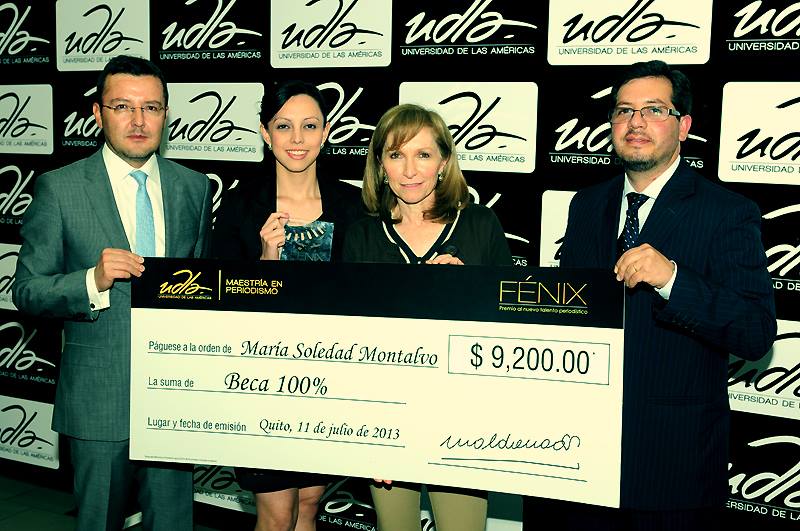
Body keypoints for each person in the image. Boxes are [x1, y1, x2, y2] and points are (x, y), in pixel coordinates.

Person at [525, 60, 776, 531]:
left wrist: (673, 280)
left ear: (683, 126)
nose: (635, 122)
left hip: (672, 465)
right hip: (578, 457)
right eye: (624, 111)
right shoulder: (586, 204)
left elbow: (755, 331)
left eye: (654, 110)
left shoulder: (727, 212)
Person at [12, 55, 212, 530]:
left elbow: (202, 291)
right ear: (98, 114)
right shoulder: (59, 189)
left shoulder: (194, 188)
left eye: (151, 107)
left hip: (174, 397)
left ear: (166, 114)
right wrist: (91, 281)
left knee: (173, 523)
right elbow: (27, 290)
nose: (138, 120)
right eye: (122, 106)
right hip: (98, 398)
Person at [343, 103, 512, 531]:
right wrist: (366, 431)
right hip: (386, 416)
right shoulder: (361, 234)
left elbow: (511, 325)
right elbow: (348, 340)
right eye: (395, 155)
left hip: (464, 416)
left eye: (422, 154)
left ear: (444, 161)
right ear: (380, 165)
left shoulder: (480, 225)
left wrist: (468, 288)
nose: (409, 170)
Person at [212, 80, 362, 531]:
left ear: (327, 132)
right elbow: (216, 303)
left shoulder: (352, 206)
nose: (297, 139)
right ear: (265, 133)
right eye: (283, 126)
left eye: (310, 126)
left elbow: (366, 295)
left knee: (309, 506)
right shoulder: (240, 206)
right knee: (276, 516)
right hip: (259, 381)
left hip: (328, 378)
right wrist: (265, 261)